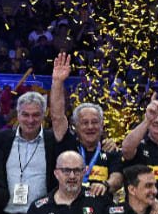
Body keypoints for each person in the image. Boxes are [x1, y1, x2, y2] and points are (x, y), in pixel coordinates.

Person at [49, 53, 121, 197]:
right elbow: (57, 117)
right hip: (68, 209)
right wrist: (57, 82)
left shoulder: (109, 149)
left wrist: (105, 185)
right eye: (84, 123)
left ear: (102, 126)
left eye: (95, 122)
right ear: (75, 126)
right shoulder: (68, 143)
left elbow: (118, 178)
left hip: (100, 211)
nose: (90, 127)